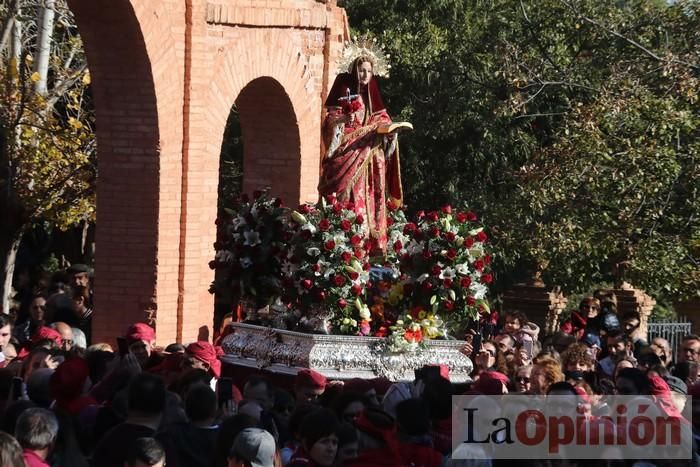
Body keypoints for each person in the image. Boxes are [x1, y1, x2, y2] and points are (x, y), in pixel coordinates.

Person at [318, 45, 404, 253]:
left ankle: (368, 242)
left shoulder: (372, 95)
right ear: (353, 70)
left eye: (368, 71)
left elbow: (382, 119)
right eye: (361, 70)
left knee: (367, 192)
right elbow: (330, 121)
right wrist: (342, 120)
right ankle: (343, 235)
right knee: (346, 192)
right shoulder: (343, 89)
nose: (365, 75)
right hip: (346, 152)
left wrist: (389, 131)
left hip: (367, 156)